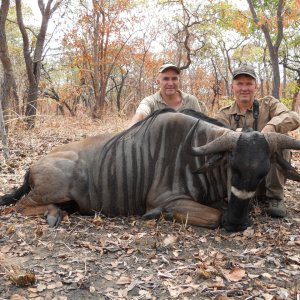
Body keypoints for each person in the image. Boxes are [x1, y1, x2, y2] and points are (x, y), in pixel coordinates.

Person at [216, 65, 300, 218]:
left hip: (264, 175)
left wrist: (270, 127)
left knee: (279, 137)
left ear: (256, 86)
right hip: (238, 178)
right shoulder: (224, 113)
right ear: (232, 86)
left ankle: (274, 198)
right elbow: (218, 135)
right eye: (240, 83)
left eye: (249, 83)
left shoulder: (268, 104)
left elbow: (294, 117)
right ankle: (234, 197)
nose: (244, 88)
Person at [130, 63, 207, 126]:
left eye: (174, 79)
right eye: (166, 79)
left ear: (179, 81)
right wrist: (131, 130)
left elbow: (201, 125)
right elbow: (141, 113)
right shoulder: (150, 101)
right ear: (158, 82)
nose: (170, 83)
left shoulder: (191, 100)